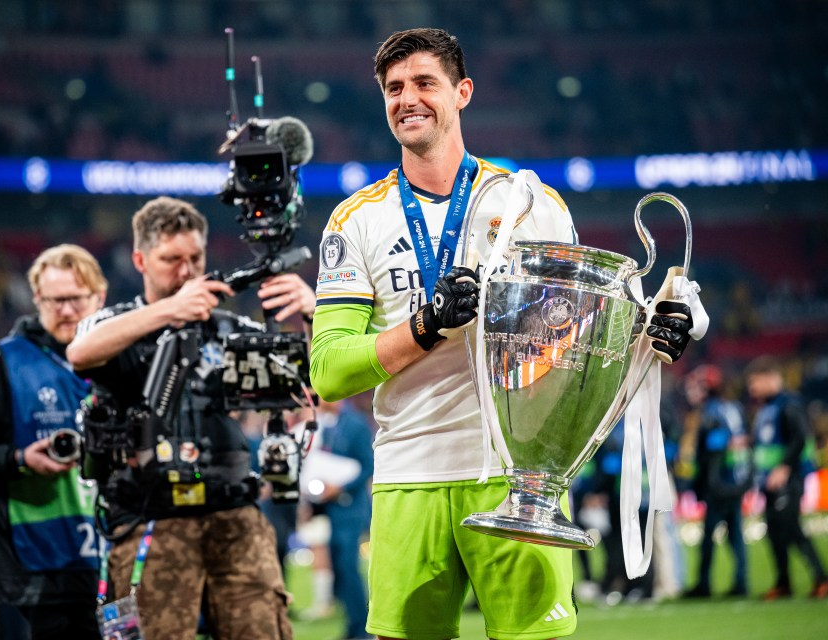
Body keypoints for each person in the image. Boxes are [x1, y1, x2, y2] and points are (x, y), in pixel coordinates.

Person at [309, 28, 698, 640]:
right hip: (411, 472)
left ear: (462, 92)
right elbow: (330, 368)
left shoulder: (529, 202)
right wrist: (425, 325)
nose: (407, 98)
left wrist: (649, 334)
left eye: (424, 83)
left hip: (521, 473)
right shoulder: (357, 218)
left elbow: (574, 339)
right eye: (393, 88)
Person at [67, 195, 315, 639]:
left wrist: (314, 314)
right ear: (140, 259)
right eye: (171, 259)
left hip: (233, 514)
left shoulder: (225, 327)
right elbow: (79, 352)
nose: (186, 271)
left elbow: (312, 376)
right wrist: (169, 311)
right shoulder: (115, 322)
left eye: (195, 258)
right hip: (148, 519)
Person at [0, 244, 108, 639]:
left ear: (99, 296)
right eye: (55, 300)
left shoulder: (121, 361)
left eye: (76, 298)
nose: (66, 310)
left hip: (107, 559)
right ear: (36, 299)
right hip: (32, 566)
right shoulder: (4, 362)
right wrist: (20, 458)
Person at [746, 355, 828, 600]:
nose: (752, 388)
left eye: (756, 381)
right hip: (768, 481)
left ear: (771, 377)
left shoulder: (788, 404)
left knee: (791, 529)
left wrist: (783, 468)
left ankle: (822, 579)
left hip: (788, 480)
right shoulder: (767, 408)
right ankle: (783, 583)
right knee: (774, 532)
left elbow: (800, 438)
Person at [682, 364, 752, 598]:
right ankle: (741, 582)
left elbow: (715, 449)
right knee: (735, 534)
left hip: (720, 482)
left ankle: (704, 584)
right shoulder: (733, 408)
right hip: (735, 478)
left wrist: (704, 482)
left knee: (710, 538)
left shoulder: (712, 412)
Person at [307, 398, 374, 640]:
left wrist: (341, 487)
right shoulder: (325, 423)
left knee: (348, 567)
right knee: (338, 569)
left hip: (351, 508)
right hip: (330, 509)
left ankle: (362, 629)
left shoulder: (355, 423)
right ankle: (353, 624)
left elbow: (368, 465)